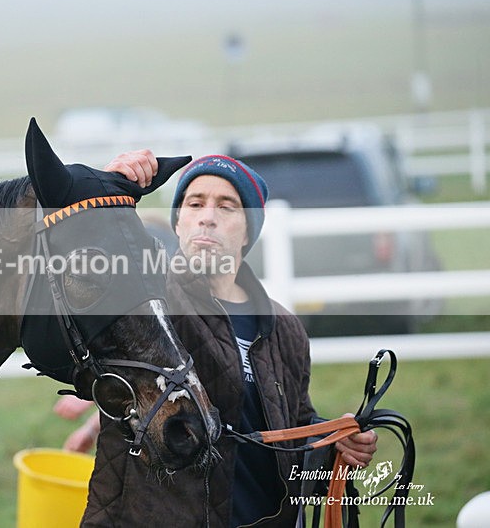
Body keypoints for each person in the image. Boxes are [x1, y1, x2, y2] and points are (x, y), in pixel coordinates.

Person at [57, 151, 378, 527]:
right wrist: (102, 190)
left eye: (227, 206)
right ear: (178, 223)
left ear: (248, 231)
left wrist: (333, 443)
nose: (207, 216)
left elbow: (292, 431)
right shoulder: (145, 296)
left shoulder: (283, 328)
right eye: (195, 204)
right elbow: (81, 263)